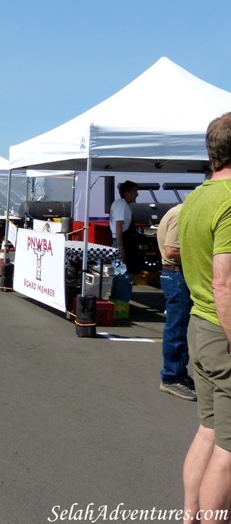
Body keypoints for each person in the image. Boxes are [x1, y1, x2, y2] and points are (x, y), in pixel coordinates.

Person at [180, 112, 231, 521]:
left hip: (199, 324)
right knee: (229, 453)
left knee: (209, 431)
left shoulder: (197, 197)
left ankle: (189, 514)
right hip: (221, 329)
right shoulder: (230, 201)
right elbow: (225, 284)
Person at [156, 203, 195, 401]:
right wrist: (203, 254)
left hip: (177, 275)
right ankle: (171, 378)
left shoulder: (182, 211)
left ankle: (177, 373)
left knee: (180, 328)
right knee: (177, 328)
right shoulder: (182, 213)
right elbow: (172, 251)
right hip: (177, 275)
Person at [109, 180, 141, 302]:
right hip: (122, 242)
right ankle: (122, 303)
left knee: (118, 272)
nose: (137, 194)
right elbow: (119, 226)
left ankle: (115, 301)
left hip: (118, 241)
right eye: (135, 191)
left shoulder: (117, 203)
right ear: (127, 193)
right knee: (125, 273)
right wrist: (121, 247)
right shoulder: (122, 204)